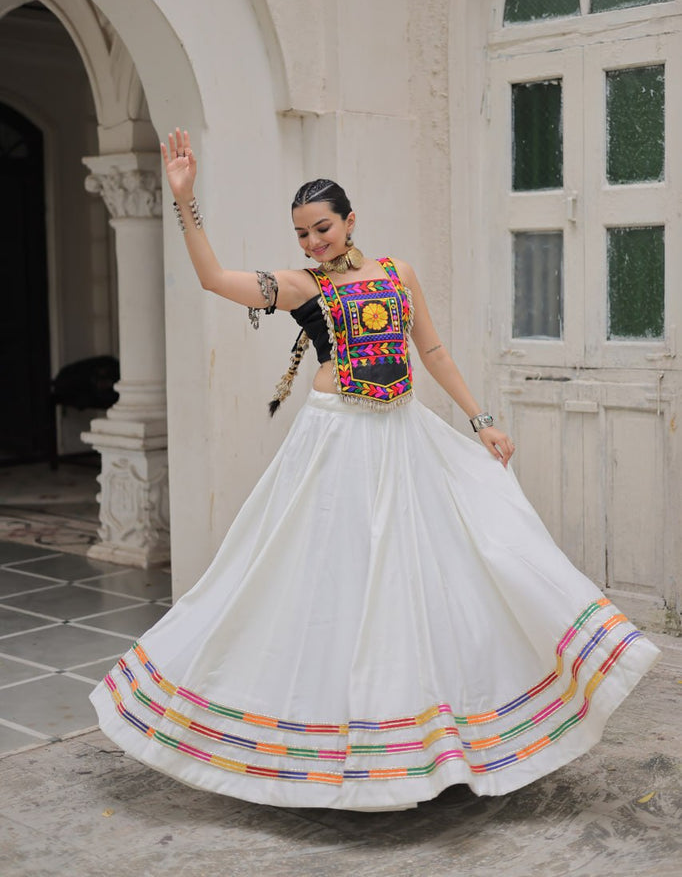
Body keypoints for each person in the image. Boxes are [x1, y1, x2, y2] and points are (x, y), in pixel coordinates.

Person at [90, 129, 660, 812]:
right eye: (302, 233)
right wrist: (185, 199)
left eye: (322, 228)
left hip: (402, 437)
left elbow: (433, 352)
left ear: (350, 220)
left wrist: (481, 419)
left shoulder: (398, 274)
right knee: (329, 583)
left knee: (440, 570)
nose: (313, 242)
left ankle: (432, 745)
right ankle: (340, 744)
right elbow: (215, 280)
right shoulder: (302, 287)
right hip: (336, 442)